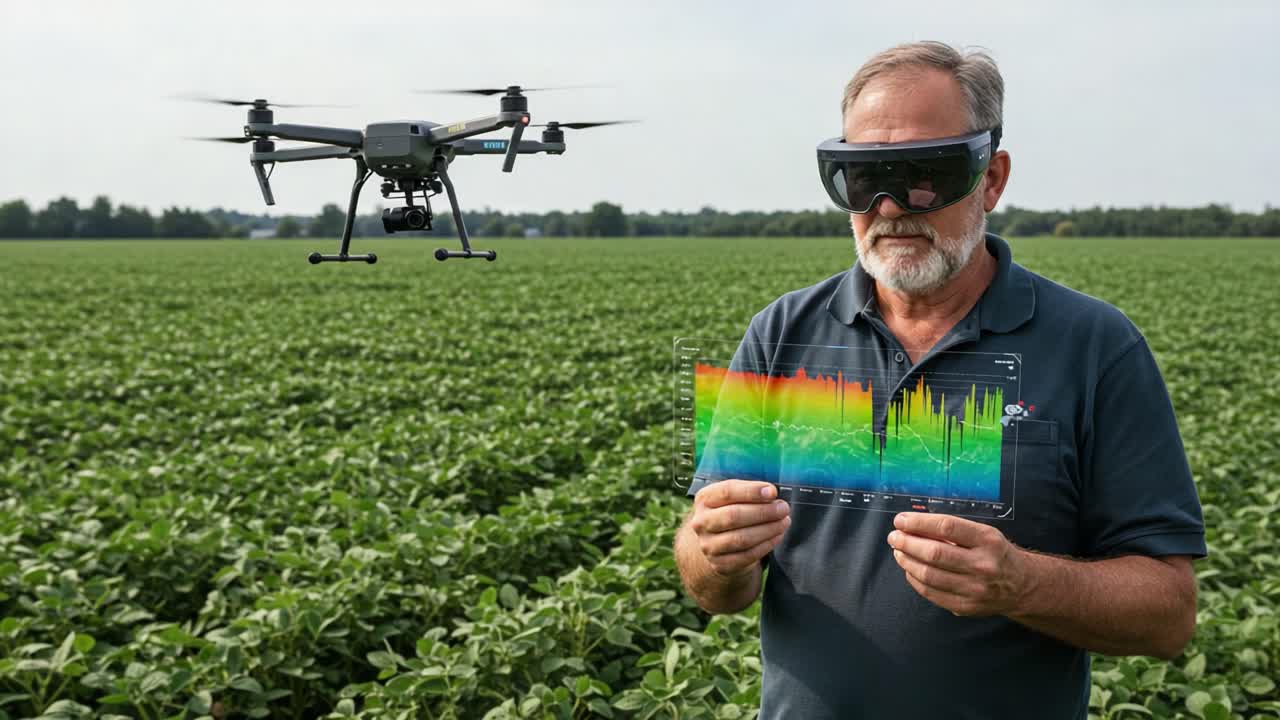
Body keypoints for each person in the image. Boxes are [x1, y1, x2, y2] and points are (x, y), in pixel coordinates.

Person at [673, 41, 1206, 720]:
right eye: (862, 178)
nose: (893, 206)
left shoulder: (1096, 347)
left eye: (926, 173)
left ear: (991, 178)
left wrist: (1021, 583)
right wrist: (716, 553)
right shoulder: (780, 335)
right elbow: (713, 583)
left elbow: (1168, 614)